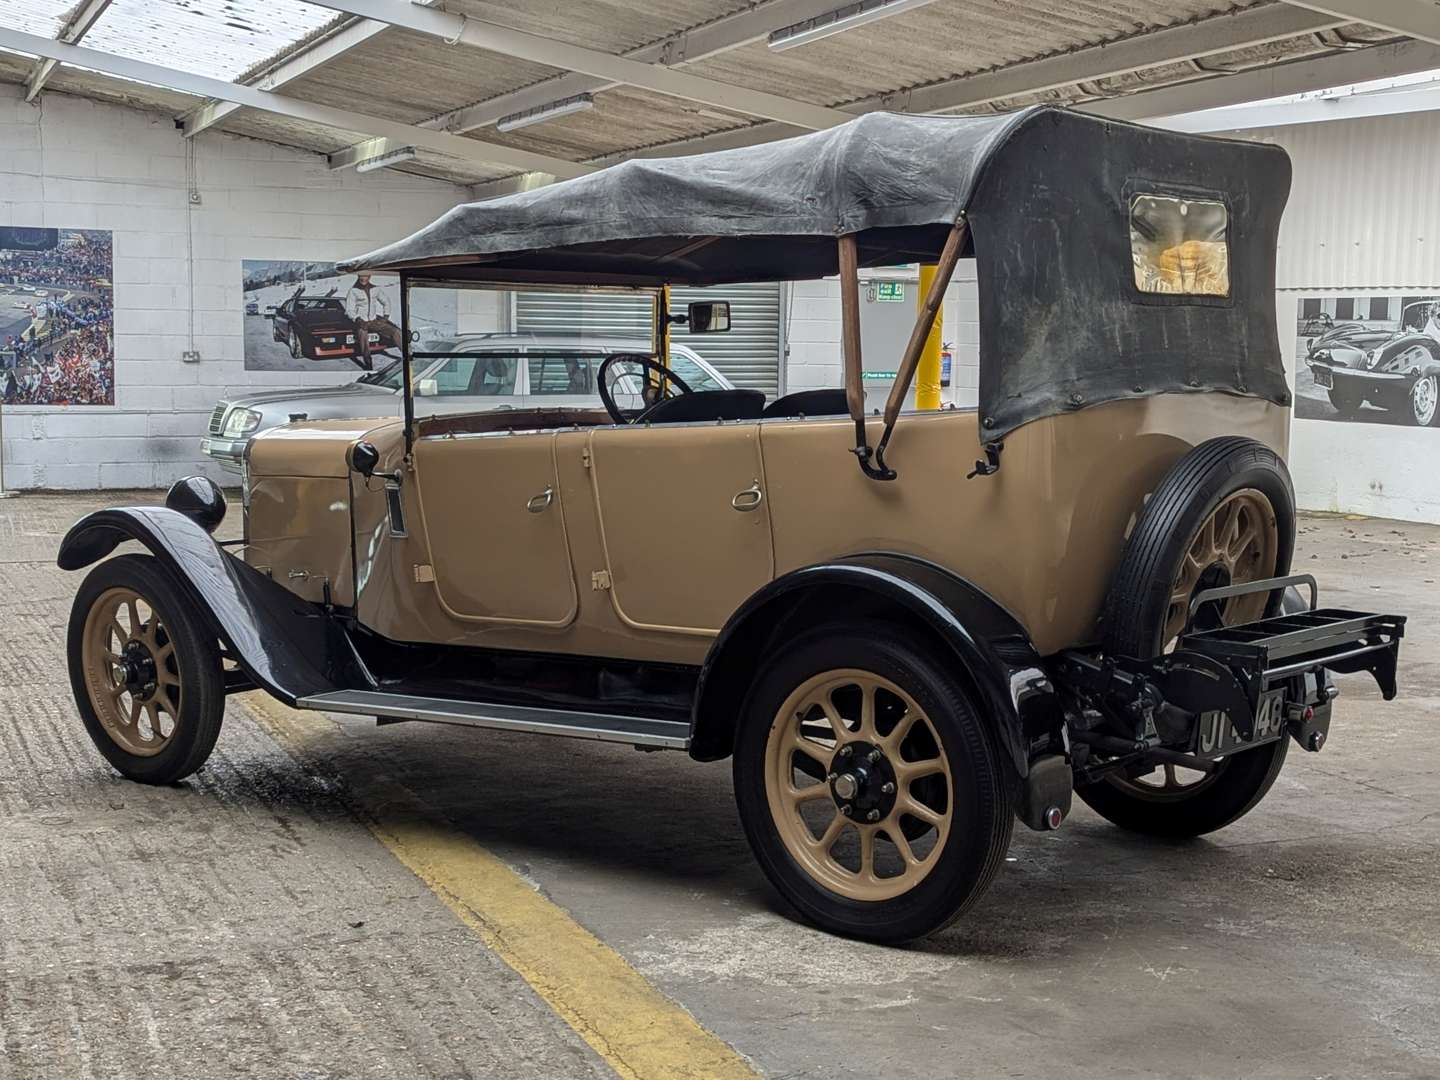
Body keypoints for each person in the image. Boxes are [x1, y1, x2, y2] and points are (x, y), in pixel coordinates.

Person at [345, 273, 402, 370]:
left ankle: (407, 355)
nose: (363, 278)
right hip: (361, 322)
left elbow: (386, 301)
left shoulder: (375, 289)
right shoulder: (353, 291)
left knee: (395, 331)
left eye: (365, 276)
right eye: (361, 276)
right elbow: (349, 310)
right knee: (363, 339)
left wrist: (385, 317)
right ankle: (368, 364)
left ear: (369, 277)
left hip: (373, 320)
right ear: (358, 277)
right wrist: (358, 319)